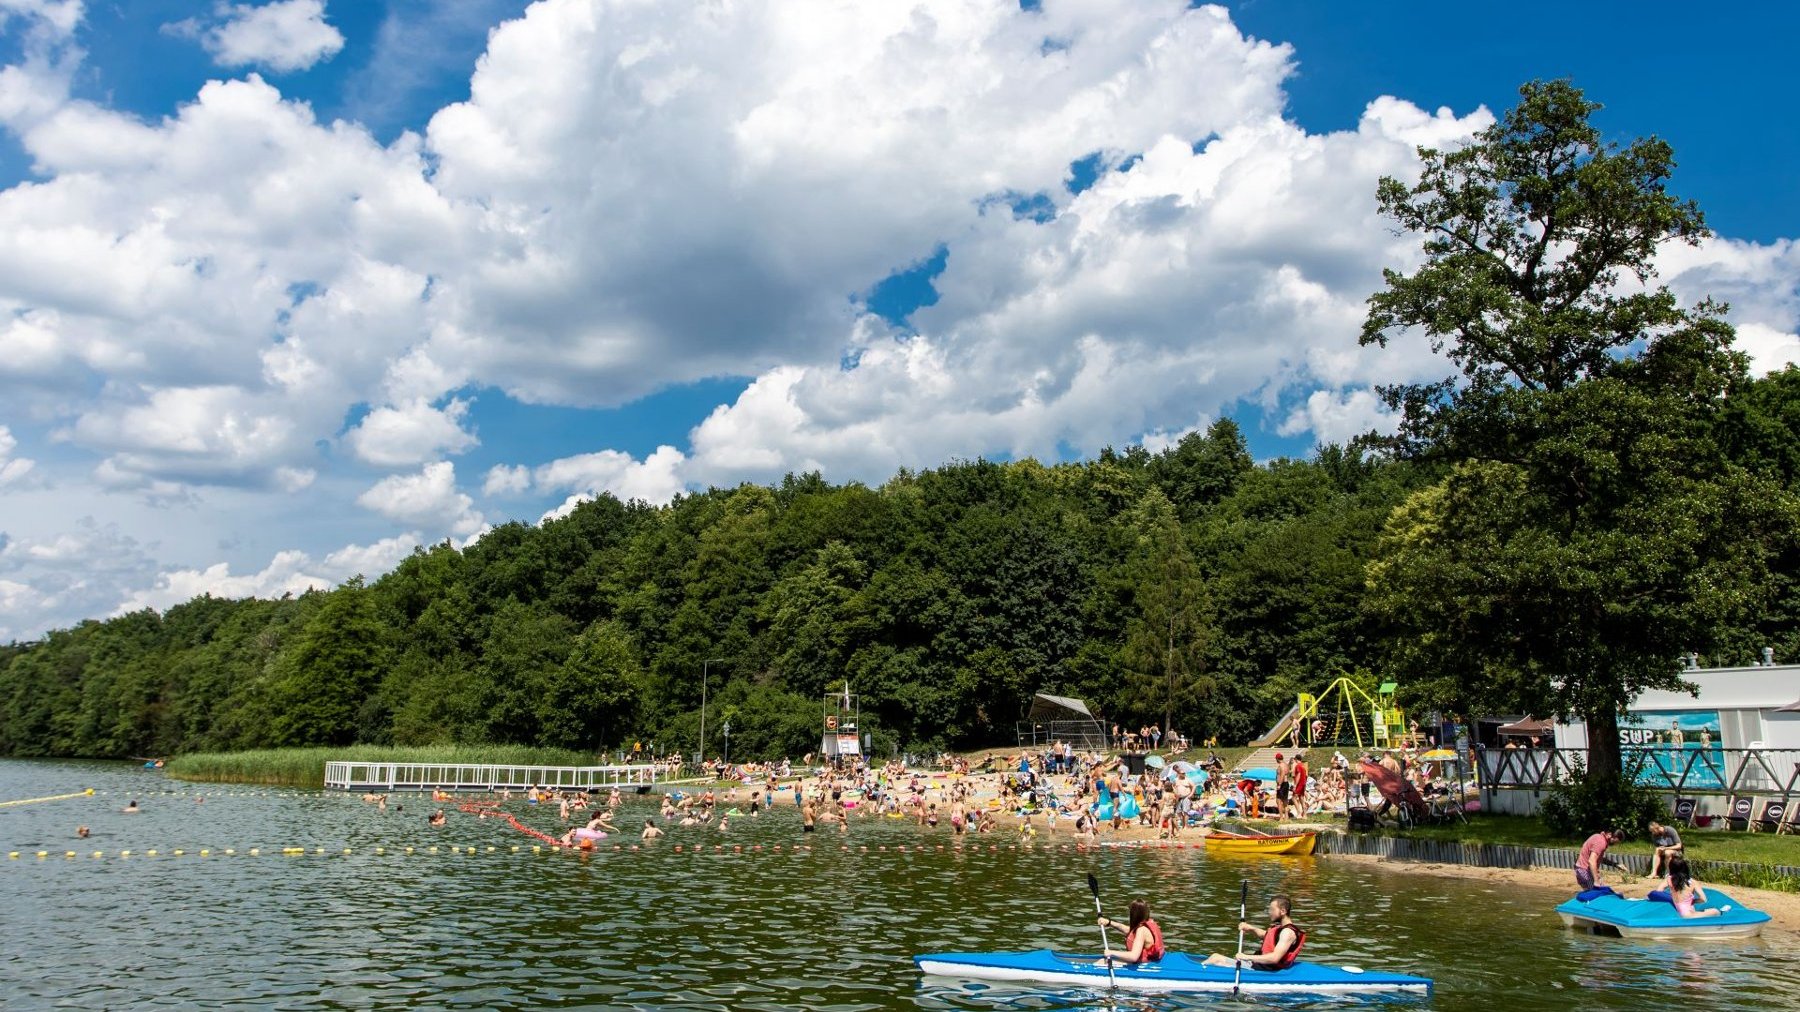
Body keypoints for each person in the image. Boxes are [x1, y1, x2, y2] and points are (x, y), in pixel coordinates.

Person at [1204, 895, 1304, 970]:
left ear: (1283, 911)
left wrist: (1246, 957)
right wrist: (1250, 928)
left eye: (1272, 909)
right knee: (1215, 958)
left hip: (1265, 970)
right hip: (1261, 965)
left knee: (1215, 958)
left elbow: (1274, 958)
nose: (1269, 912)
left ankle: (1194, 973)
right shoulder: (1282, 929)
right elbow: (1267, 936)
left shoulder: (1288, 933)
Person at [1096, 900, 1165, 965]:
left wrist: (1111, 952)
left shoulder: (1141, 931)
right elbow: (1129, 931)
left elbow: (1133, 957)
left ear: (1134, 915)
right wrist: (1109, 923)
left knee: (1100, 963)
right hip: (1149, 960)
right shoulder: (1144, 926)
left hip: (1143, 964)